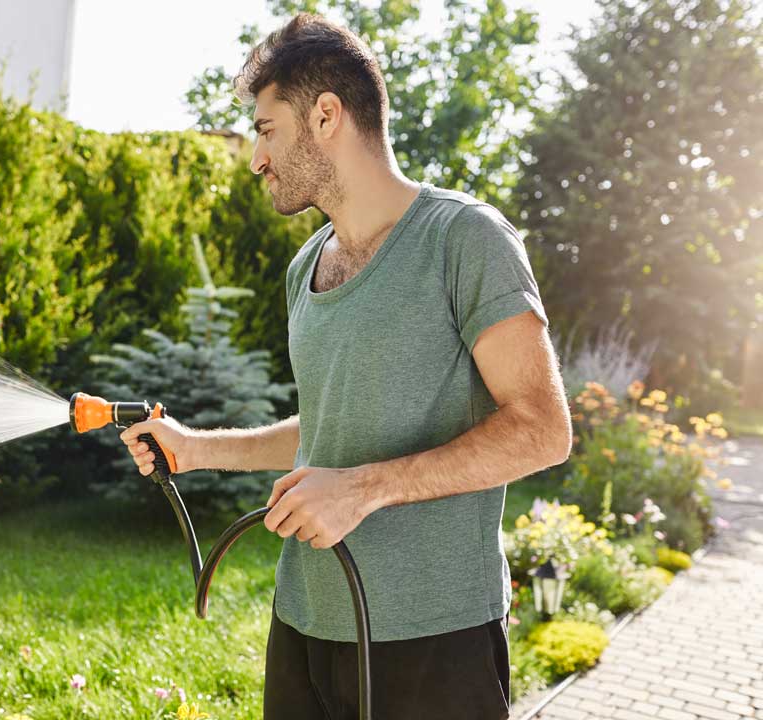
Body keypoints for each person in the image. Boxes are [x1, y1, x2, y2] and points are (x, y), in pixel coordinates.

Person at [119, 12, 572, 720]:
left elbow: (543, 429)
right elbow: (332, 427)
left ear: (326, 115)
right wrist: (196, 448)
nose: (256, 157)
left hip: (433, 639)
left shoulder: (464, 239)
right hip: (303, 622)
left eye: (267, 130)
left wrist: (363, 490)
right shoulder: (307, 267)